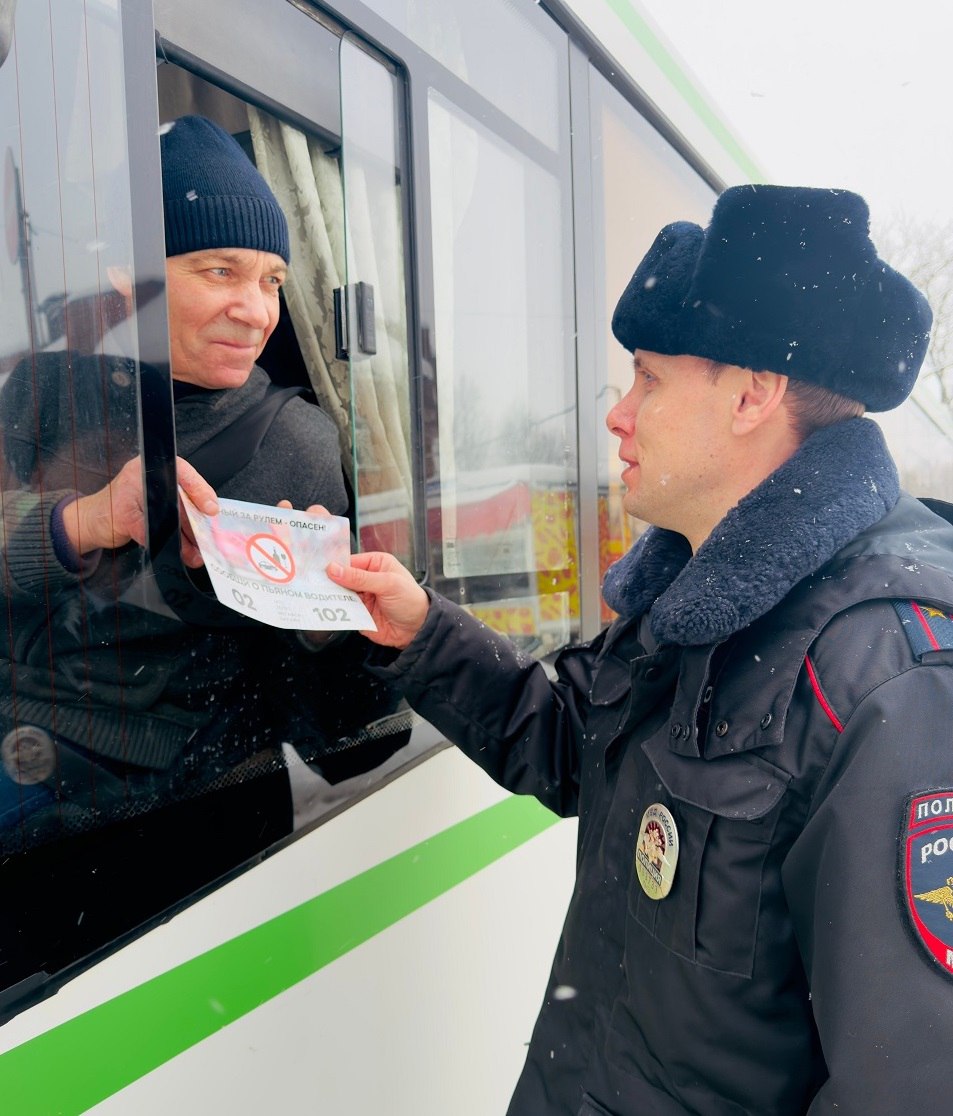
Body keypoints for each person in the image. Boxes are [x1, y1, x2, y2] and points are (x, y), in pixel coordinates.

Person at [326, 185, 953, 1114]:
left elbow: (911, 1084)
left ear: (751, 395)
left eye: (649, 380)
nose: (618, 415)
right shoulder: (698, 592)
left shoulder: (888, 675)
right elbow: (571, 741)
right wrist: (420, 630)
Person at [0, 115, 359, 843]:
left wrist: (321, 626)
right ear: (126, 275)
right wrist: (83, 523)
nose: (257, 311)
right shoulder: (40, 389)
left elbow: (347, 740)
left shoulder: (299, 444)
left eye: (272, 280)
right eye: (220, 270)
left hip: (179, 809)